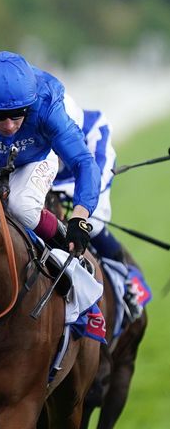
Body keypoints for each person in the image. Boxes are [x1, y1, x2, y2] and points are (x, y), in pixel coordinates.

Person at [0, 51, 99, 259]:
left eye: (17, 115)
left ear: (30, 105)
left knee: (21, 207)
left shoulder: (46, 103)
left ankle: (71, 252)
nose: (8, 126)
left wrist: (79, 219)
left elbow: (83, 161)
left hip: (35, 159)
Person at [55, 98, 146, 320]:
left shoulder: (96, 126)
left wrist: (72, 200)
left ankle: (128, 286)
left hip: (88, 184)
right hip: (50, 187)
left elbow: (99, 176)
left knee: (91, 224)